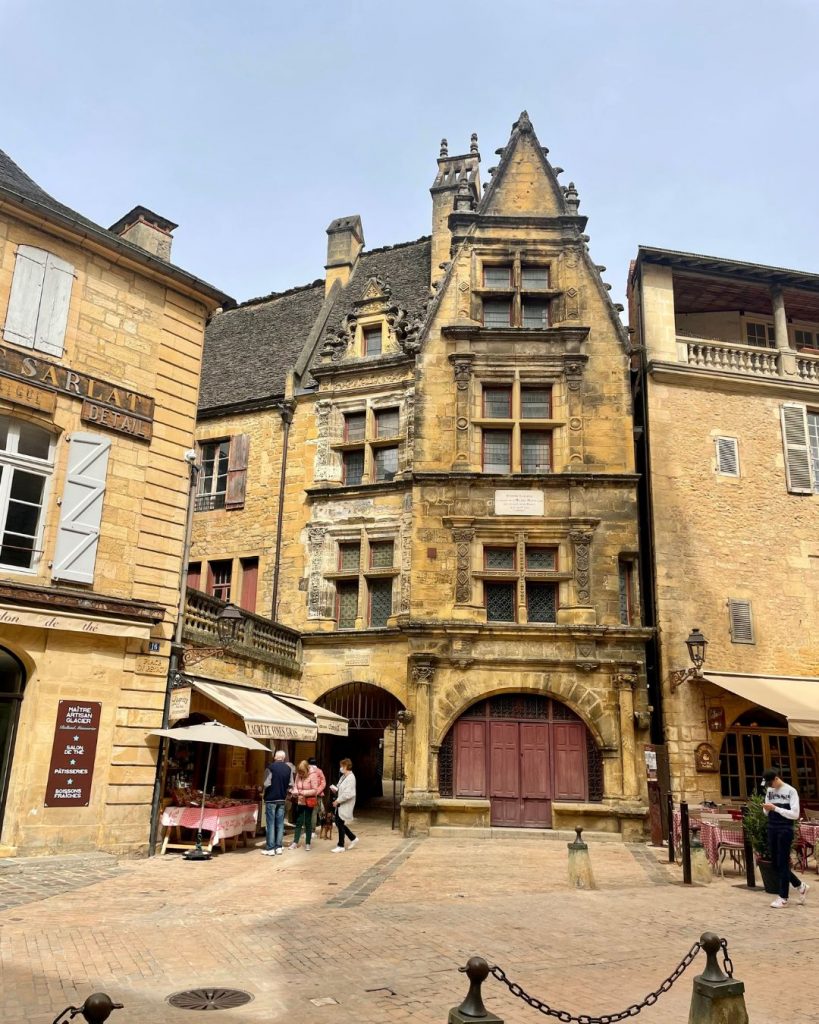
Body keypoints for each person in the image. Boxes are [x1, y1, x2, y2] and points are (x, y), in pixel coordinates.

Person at [762, 768, 809, 908]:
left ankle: (783, 897)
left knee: (782, 862)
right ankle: (800, 886)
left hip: (784, 828)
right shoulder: (770, 791)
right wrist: (766, 808)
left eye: (770, 783)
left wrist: (775, 808)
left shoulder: (790, 791)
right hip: (772, 827)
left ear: (776, 779)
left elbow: (795, 814)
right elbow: (765, 812)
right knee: (776, 863)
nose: (769, 787)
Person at [262, 750, 291, 856]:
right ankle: (278, 846)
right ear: (283, 758)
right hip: (282, 799)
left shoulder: (270, 767)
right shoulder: (288, 769)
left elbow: (266, 783)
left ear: (275, 757)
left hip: (271, 798)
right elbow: (291, 784)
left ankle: (270, 848)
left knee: (270, 824)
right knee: (279, 823)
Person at [289, 760, 319, 851]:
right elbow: (295, 785)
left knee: (308, 821)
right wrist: (294, 791)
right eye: (299, 772)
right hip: (300, 800)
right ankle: (295, 842)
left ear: (306, 770)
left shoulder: (313, 775)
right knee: (299, 821)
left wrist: (303, 792)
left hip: (309, 800)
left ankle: (308, 843)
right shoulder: (298, 774)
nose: (300, 774)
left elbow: (315, 790)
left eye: (302, 772)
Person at [330, 758, 358, 853]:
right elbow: (340, 787)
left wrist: (338, 801)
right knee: (339, 823)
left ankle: (341, 845)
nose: (340, 768)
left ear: (346, 766)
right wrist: (335, 789)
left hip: (344, 804)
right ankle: (353, 838)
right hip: (340, 804)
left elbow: (348, 793)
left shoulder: (351, 778)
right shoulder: (343, 777)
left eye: (342, 766)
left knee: (339, 823)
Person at [307, 756, 327, 834]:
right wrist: (317, 791)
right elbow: (323, 783)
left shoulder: (307, 770)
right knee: (314, 812)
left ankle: (309, 829)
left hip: (307, 794)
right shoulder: (319, 771)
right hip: (317, 795)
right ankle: (312, 830)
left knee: (308, 812)